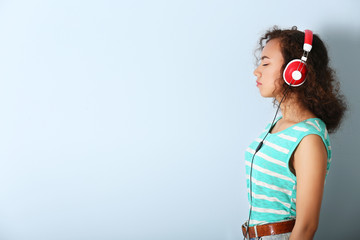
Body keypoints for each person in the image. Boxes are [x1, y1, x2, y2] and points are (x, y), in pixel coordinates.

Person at [242, 26, 347, 240]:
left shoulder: (308, 138)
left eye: (266, 62)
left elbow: (307, 226)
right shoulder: (277, 125)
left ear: (295, 70)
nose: (257, 71)